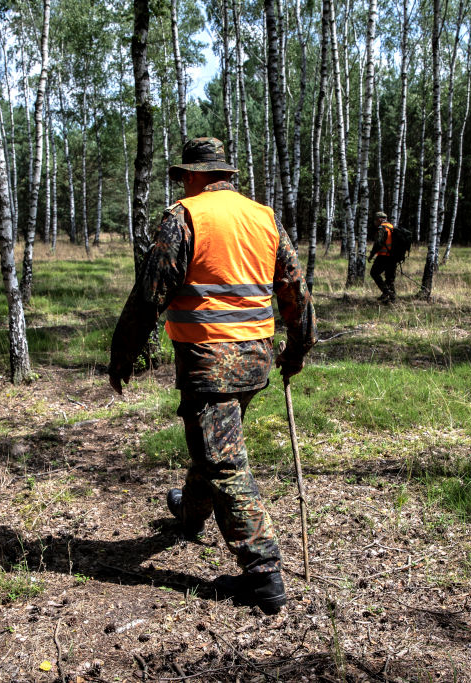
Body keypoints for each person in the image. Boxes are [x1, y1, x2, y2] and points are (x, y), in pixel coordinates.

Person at [108, 137, 316, 615]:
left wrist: (123, 356)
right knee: (214, 446)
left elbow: (148, 296)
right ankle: (189, 512)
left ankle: (264, 574)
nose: (183, 183)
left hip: (209, 361)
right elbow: (295, 290)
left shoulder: (184, 217)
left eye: (184, 176)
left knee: (223, 462)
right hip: (256, 359)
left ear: (196, 176)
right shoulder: (264, 218)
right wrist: (299, 347)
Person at [367, 212, 401, 302]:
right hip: (393, 257)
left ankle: (386, 292)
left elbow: (378, 243)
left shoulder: (382, 228)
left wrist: (371, 255)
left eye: (375, 220)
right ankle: (392, 299)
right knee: (390, 278)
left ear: (379, 219)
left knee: (374, 273)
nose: (374, 222)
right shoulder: (392, 227)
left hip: (384, 256)